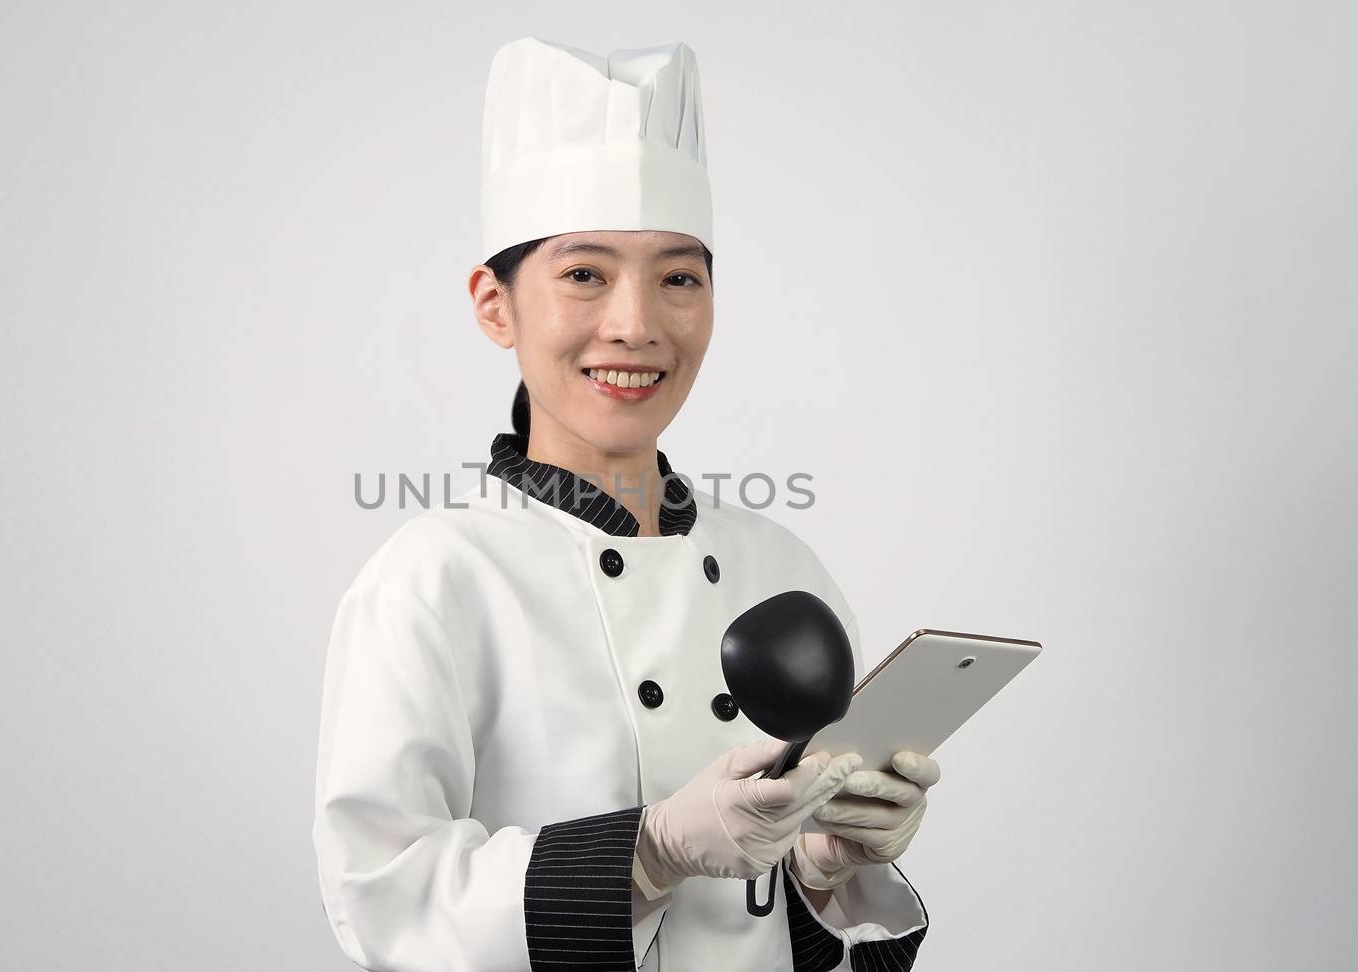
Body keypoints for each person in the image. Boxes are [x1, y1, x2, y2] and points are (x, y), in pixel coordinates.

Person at [313, 36, 940, 971]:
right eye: (584, 274)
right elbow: (384, 902)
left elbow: (780, 931)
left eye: (678, 276)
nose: (636, 324)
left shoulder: (780, 567)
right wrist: (647, 853)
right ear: (495, 305)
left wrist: (821, 863)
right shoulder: (433, 577)